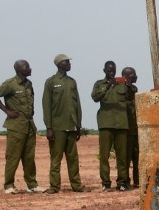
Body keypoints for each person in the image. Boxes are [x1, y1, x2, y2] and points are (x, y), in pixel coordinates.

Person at [0, 59, 44, 194]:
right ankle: (9, 186)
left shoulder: (29, 84)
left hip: (29, 125)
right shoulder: (10, 84)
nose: (30, 68)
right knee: (13, 157)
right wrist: (7, 111)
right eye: (27, 66)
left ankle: (32, 185)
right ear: (20, 69)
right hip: (16, 126)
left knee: (29, 157)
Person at [42, 54, 85, 194]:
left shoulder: (72, 82)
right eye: (67, 62)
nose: (69, 64)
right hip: (57, 127)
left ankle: (77, 186)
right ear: (60, 64)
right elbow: (46, 105)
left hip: (72, 126)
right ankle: (54, 186)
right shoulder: (51, 82)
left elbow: (77, 104)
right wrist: (49, 127)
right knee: (56, 158)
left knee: (73, 159)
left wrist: (78, 125)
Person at [92, 60, 130, 191]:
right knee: (104, 155)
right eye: (109, 70)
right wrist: (108, 85)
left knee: (122, 156)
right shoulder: (99, 84)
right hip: (106, 124)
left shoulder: (122, 85)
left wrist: (129, 85)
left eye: (113, 70)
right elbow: (95, 97)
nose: (111, 72)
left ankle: (122, 182)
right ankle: (106, 183)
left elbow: (131, 97)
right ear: (104, 71)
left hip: (121, 124)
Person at [122, 66, 140, 188]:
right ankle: (125, 180)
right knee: (126, 157)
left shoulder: (134, 89)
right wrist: (126, 86)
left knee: (137, 157)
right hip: (126, 128)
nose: (136, 76)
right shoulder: (121, 89)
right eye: (133, 74)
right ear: (126, 77)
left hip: (135, 127)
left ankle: (137, 180)